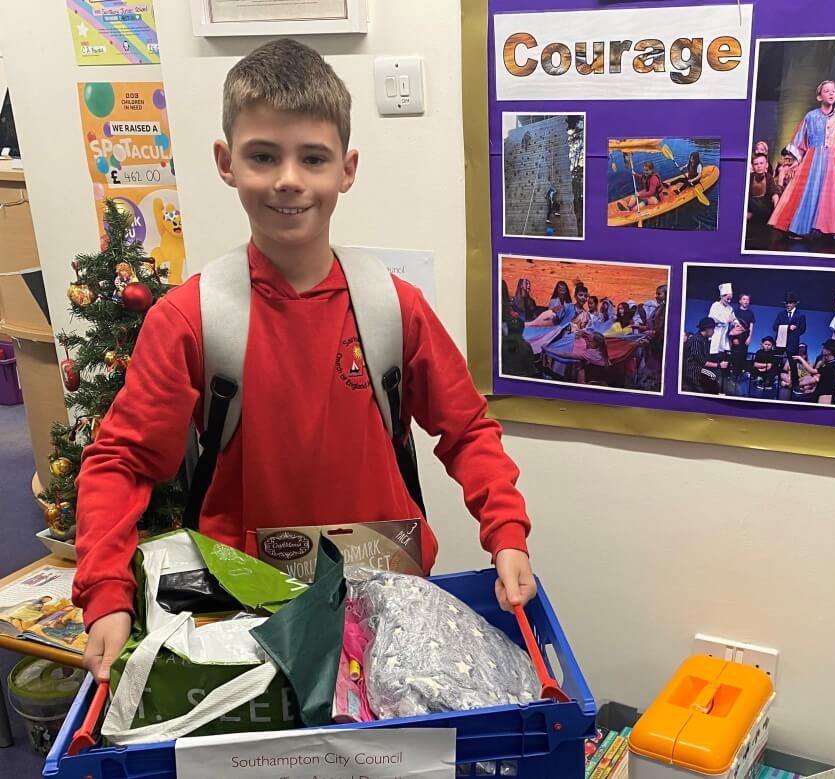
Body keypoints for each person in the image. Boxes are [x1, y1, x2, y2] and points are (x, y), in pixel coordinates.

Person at [72, 39, 536, 682]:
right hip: (244, 609)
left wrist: (506, 531)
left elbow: (467, 429)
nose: (289, 179)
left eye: (312, 158)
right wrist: (105, 595)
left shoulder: (392, 309)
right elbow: (120, 461)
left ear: (345, 169)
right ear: (226, 162)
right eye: (264, 155)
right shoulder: (189, 319)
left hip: (386, 599)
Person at [768, 80, 835, 240]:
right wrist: (795, 160)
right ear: (819, 96)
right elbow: (800, 138)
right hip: (813, 159)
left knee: (831, 194)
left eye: (833, 91)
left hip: (833, 161)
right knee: (808, 192)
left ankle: (832, 228)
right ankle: (800, 227)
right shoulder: (810, 116)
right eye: (827, 91)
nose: (831, 93)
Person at [683, 317, 727, 394]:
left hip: (700, 368)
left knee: (716, 374)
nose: (714, 331)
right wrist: (719, 365)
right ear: (707, 329)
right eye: (713, 329)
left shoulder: (704, 339)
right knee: (713, 376)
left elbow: (705, 358)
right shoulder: (696, 340)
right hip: (694, 370)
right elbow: (701, 361)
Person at [772, 291, 806, 389]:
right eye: (786, 303)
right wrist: (787, 328)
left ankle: (795, 385)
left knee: (793, 364)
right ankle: (769, 381)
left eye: (790, 303)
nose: (788, 305)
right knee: (776, 362)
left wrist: (793, 335)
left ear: (795, 303)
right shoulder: (780, 314)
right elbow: (774, 327)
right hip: (780, 342)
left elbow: (803, 329)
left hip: (792, 343)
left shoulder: (800, 315)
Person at [795, 338, 835, 404]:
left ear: (829, 351)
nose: (822, 349)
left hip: (826, 396)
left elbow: (811, 371)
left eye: (824, 348)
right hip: (819, 393)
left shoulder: (832, 366)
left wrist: (800, 359)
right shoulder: (828, 363)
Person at [708, 282, 741, 367]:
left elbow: (733, 318)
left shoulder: (730, 308)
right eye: (727, 298)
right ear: (722, 296)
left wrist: (736, 324)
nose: (729, 301)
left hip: (724, 334)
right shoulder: (715, 305)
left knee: (722, 354)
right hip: (715, 333)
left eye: (730, 299)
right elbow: (713, 318)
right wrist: (726, 320)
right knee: (713, 353)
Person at [746, 153, 782, 224]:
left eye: (761, 163)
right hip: (752, 205)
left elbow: (774, 194)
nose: (759, 166)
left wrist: (776, 213)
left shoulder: (769, 178)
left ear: (766, 165)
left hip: (764, 207)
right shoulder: (749, 177)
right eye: (756, 164)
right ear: (752, 166)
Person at [730, 293, 755, 378]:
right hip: (736, 338)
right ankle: (733, 375)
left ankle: (739, 375)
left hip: (745, 339)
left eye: (747, 300)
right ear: (740, 301)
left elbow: (751, 327)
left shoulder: (750, 313)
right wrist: (734, 338)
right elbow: (732, 326)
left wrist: (749, 338)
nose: (746, 301)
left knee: (742, 357)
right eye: (744, 299)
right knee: (735, 357)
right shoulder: (735, 312)